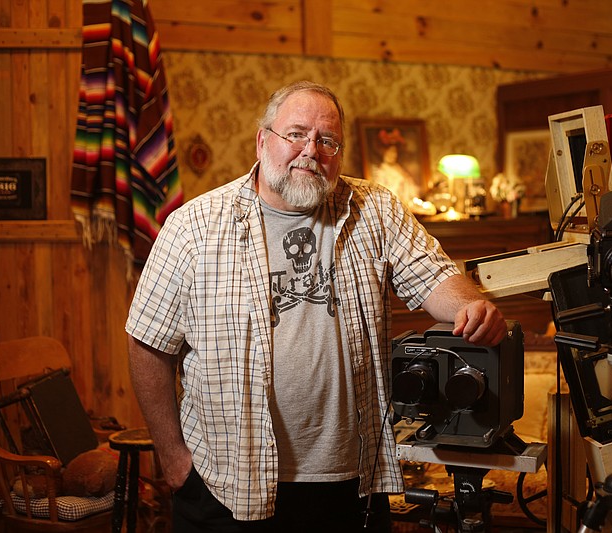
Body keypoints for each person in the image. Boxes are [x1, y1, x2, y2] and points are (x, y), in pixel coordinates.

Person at [125, 80, 507, 532]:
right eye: (297, 134)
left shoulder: (376, 209)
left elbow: (434, 276)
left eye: (327, 140)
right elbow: (148, 344)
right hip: (226, 485)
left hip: (349, 484)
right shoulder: (193, 226)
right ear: (262, 140)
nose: (312, 150)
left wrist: (471, 306)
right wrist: (173, 458)